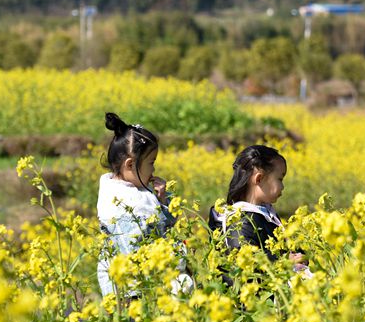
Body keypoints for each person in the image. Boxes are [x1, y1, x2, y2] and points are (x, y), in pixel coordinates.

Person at [97, 113, 190, 299]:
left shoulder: (134, 189)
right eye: (151, 163)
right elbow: (141, 250)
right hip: (134, 294)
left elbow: (162, 227)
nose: (154, 170)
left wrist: (163, 200)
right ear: (130, 164)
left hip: (143, 285)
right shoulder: (123, 204)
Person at [208, 145, 311, 279]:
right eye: (280, 179)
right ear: (259, 179)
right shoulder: (239, 220)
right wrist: (284, 260)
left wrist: (299, 256)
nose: (283, 186)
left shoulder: (265, 213)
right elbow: (245, 261)